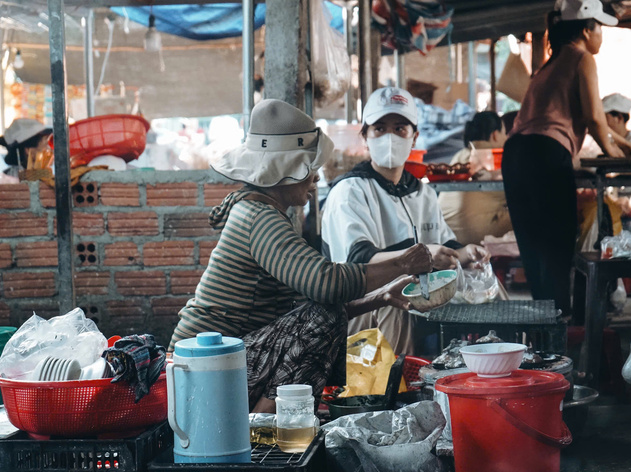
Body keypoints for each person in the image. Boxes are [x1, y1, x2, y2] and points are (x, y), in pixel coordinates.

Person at [169, 99, 432, 413]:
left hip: (215, 364)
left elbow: (307, 306)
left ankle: (262, 421)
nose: (316, 179)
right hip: (201, 372)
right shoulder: (258, 218)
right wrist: (402, 264)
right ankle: (259, 425)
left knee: (325, 315)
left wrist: (382, 297)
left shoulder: (259, 211)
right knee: (326, 318)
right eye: (310, 168)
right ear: (286, 172)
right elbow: (326, 285)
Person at [501, 0, 631, 317]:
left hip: (516, 156)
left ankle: (543, 334)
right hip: (544, 156)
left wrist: (624, 144)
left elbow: (585, 115)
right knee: (557, 252)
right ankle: (559, 336)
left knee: (534, 251)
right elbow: (596, 119)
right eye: (600, 29)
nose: (601, 38)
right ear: (586, 29)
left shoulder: (551, 64)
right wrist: (617, 156)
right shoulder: (582, 58)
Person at [321, 87, 489, 355]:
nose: (390, 137)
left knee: (481, 281)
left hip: (411, 296)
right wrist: (422, 257)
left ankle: (493, 370)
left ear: (414, 138)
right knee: (393, 302)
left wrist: (466, 253)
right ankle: (381, 391)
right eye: (379, 128)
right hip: (356, 310)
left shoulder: (421, 192)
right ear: (365, 136)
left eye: (400, 128)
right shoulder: (350, 191)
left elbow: (443, 244)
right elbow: (358, 259)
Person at [439, 111, 513, 246]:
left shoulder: (459, 155)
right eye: (504, 133)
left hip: (446, 234)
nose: (507, 138)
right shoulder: (495, 159)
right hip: (475, 235)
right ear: (495, 135)